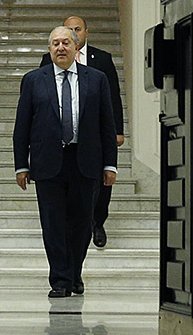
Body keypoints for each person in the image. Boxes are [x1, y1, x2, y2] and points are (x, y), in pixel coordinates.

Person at [13, 25, 117, 298]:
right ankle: (60, 279)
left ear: (75, 47)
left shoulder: (96, 79)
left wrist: (110, 164)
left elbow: (107, 124)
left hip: (86, 161)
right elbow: (22, 126)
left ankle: (74, 273)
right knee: (53, 224)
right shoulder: (33, 80)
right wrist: (21, 165)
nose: (61, 47)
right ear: (49, 49)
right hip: (48, 163)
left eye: (66, 43)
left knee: (82, 224)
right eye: (55, 43)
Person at [35, 15, 125, 248]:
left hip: (94, 135)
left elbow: (112, 97)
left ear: (85, 33)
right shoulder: (48, 60)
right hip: (61, 140)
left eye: (77, 29)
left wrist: (117, 130)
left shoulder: (102, 59)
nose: (73, 34)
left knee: (100, 185)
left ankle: (98, 223)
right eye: (68, 30)